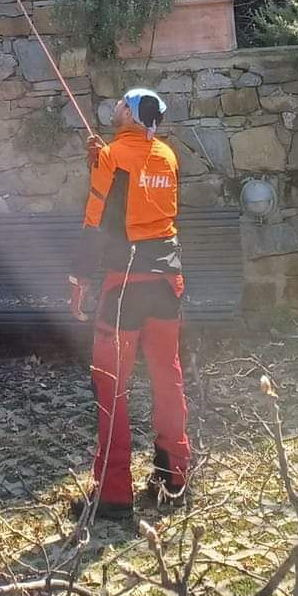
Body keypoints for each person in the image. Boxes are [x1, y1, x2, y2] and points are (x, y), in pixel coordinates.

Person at [68, 87, 191, 523]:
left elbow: (96, 221)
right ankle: (174, 477)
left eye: (122, 103)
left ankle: (114, 492)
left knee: (110, 386)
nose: (116, 107)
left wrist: (79, 279)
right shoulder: (168, 156)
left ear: (133, 113)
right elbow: (140, 197)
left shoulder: (113, 156)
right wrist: (102, 162)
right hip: (167, 282)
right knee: (167, 375)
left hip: (124, 285)